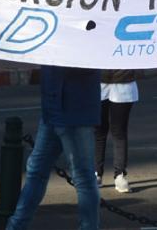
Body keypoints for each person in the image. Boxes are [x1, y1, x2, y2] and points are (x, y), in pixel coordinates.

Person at [7, 66, 101, 230]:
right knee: (37, 171)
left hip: (74, 111)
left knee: (82, 178)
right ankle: (15, 226)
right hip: (53, 109)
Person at [95, 69, 138, 193]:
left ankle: (119, 174)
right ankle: (96, 173)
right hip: (98, 81)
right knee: (98, 131)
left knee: (119, 131)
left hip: (124, 82)